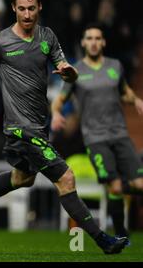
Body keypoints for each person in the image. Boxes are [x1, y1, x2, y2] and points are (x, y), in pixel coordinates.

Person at [0, 0, 128, 254]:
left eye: (31, 8)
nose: (27, 14)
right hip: (21, 130)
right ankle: (103, 241)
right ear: (13, 7)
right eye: (21, 9)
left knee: (23, 179)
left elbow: (63, 64)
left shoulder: (47, 37)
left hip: (39, 126)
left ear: (39, 7)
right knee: (67, 179)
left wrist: (69, 72)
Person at [51, 23, 143, 242]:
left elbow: (125, 92)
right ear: (83, 43)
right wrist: (55, 113)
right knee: (116, 187)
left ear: (103, 43)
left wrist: (136, 99)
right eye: (89, 38)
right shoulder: (76, 71)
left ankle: (120, 214)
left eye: (97, 38)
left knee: (139, 185)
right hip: (96, 138)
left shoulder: (115, 66)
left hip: (120, 134)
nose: (93, 42)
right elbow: (60, 100)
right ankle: (121, 232)